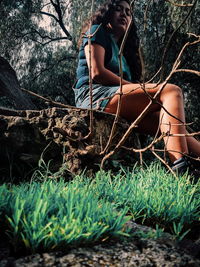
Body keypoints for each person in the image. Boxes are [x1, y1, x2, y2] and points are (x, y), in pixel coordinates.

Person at [73, 0, 200, 176]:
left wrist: (137, 89)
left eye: (128, 12)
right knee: (171, 91)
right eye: (118, 9)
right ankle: (182, 168)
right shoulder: (96, 32)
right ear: (107, 13)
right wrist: (138, 88)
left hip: (114, 99)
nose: (124, 14)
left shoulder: (124, 53)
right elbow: (96, 72)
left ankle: (193, 165)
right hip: (94, 96)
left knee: (166, 121)